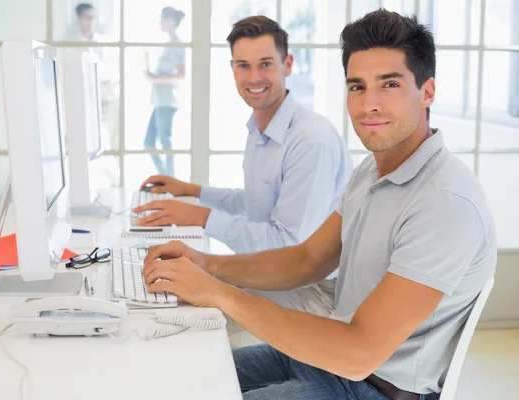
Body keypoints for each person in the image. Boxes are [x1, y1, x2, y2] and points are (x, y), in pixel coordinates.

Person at [140, 9, 497, 400]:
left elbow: (359, 354)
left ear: (427, 92)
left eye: (389, 84)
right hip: (325, 358)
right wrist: (206, 265)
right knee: (168, 378)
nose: (368, 105)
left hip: (371, 385)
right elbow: (307, 259)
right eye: (357, 87)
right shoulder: (372, 171)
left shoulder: (444, 203)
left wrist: (219, 292)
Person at [134, 16, 353, 343]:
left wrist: (201, 217)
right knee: (167, 298)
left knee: (183, 322)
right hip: (277, 276)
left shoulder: (310, 140)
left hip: (316, 293)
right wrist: (194, 192)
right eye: (243, 65)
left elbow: (288, 246)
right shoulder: (261, 126)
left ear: (287, 64)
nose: (254, 77)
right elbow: (255, 203)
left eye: (265, 64)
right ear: (232, 68)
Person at [65, 3, 121, 183]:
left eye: (93, 18)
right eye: (87, 17)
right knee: (86, 142)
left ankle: (115, 181)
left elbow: (115, 69)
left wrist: (111, 79)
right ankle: (90, 181)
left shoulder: (102, 42)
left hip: (108, 97)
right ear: (78, 18)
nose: (91, 22)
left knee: (110, 142)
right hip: (84, 101)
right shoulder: (70, 43)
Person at [143, 6, 186, 176]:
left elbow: (181, 75)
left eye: (162, 18)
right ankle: (165, 177)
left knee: (165, 143)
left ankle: (170, 180)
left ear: (170, 22)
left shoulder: (177, 45)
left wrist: (155, 78)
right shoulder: (168, 45)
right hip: (159, 100)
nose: (160, 22)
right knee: (149, 143)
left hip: (167, 101)